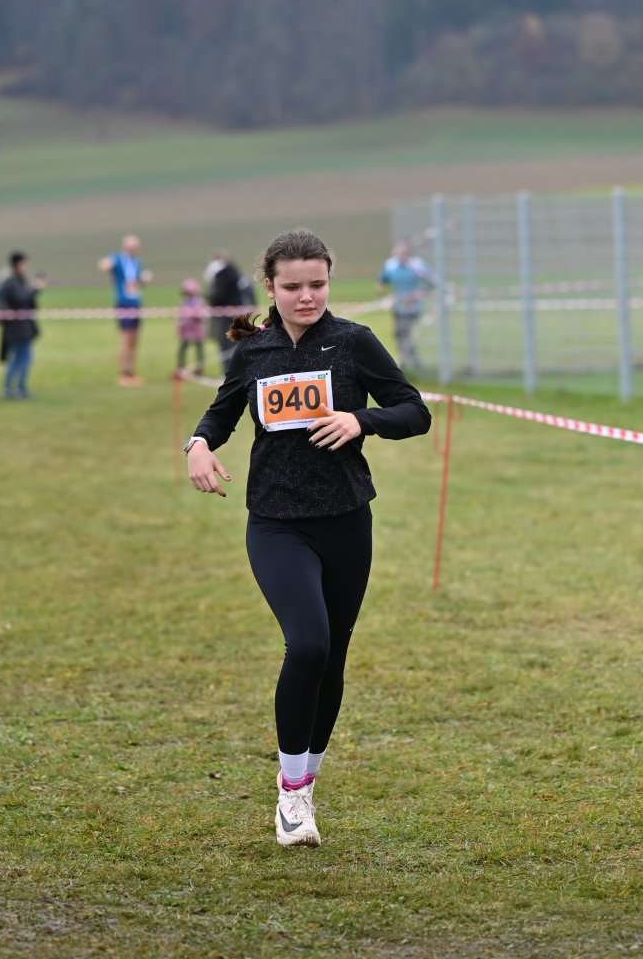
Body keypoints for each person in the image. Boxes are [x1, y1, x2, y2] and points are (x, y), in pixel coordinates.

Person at [185, 228, 431, 848]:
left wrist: (361, 419)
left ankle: (305, 780)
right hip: (276, 521)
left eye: (317, 284)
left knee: (333, 656)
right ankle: (291, 796)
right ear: (269, 287)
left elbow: (415, 411)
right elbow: (221, 412)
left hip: (346, 518)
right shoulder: (254, 351)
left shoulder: (354, 342)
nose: (307, 297)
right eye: (293, 286)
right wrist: (198, 444)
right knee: (309, 643)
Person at [98, 234, 152, 386]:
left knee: (135, 338)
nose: (133, 250)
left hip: (135, 301)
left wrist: (142, 280)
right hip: (124, 302)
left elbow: (134, 282)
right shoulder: (118, 259)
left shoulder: (136, 262)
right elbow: (104, 264)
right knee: (126, 338)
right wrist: (106, 265)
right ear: (125, 247)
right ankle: (123, 373)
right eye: (130, 247)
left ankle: (131, 372)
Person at [377, 240, 437, 370]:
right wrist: (383, 292)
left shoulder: (418, 265)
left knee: (407, 334)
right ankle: (408, 364)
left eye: (405, 251)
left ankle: (412, 364)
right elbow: (382, 282)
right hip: (399, 307)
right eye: (400, 251)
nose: (402, 254)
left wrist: (417, 294)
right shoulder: (390, 264)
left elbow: (433, 283)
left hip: (413, 308)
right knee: (400, 335)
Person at [0, 252, 46, 400]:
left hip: (20, 327)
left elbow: (27, 302)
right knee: (23, 359)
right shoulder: (12, 283)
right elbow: (21, 299)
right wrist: (34, 288)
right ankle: (18, 389)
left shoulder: (18, 281)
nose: (26, 267)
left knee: (18, 359)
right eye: (24, 264)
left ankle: (10, 389)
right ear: (18, 264)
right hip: (17, 329)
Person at [206, 255, 254, 373]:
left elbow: (218, 295)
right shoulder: (234, 273)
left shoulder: (220, 275)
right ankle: (236, 369)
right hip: (238, 315)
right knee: (235, 342)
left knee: (226, 344)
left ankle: (228, 370)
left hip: (223, 317)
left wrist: (211, 300)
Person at [176, 278, 207, 376]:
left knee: (199, 347)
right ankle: (181, 367)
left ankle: (199, 368)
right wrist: (179, 327)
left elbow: (203, 316)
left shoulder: (199, 301)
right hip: (186, 328)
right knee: (183, 347)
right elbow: (180, 317)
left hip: (197, 328)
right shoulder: (183, 302)